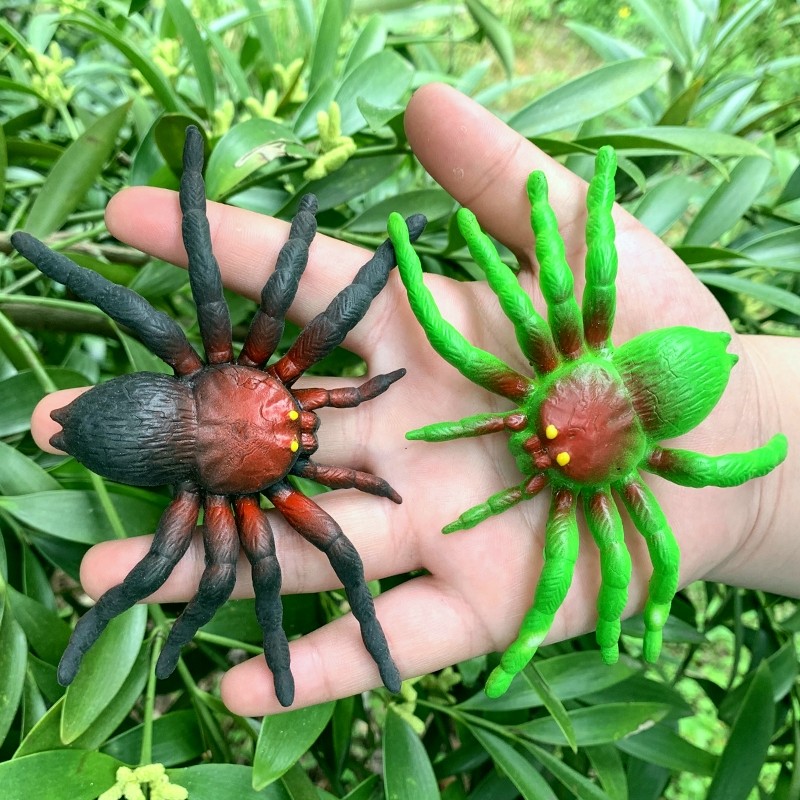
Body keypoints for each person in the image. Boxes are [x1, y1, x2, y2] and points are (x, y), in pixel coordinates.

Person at [31, 83, 799, 715]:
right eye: (304, 423)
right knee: (249, 554)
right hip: (162, 420)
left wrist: (760, 454)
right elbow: (241, 277)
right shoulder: (271, 389)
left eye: (296, 424)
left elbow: (247, 280)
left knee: (231, 556)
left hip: (190, 410)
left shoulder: (545, 383)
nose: (301, 431)